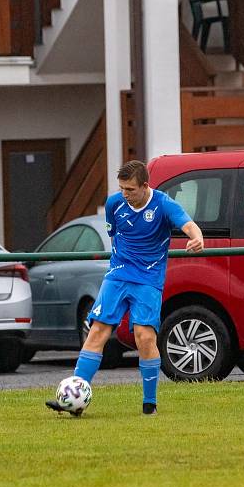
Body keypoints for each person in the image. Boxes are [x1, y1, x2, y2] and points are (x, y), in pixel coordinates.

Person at [46, 160, 204, 415]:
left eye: (130, 189)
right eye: (121, 188)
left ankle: (149, 404)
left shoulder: (163, 204)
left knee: (145, 337)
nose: (125, 194)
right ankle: (74, 396)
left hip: (149, 279)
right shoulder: (114, 204)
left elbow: (188, 225)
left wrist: (197, 238)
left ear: (145, 185)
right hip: (118, 275)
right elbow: (116, 235)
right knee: (97, 330)